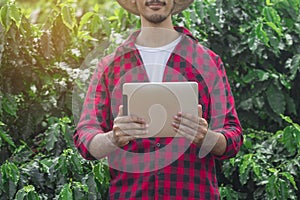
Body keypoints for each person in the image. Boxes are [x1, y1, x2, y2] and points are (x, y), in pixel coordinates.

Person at [74, 0, 243, 199]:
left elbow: (233, 136)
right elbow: (85, 136)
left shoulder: (207, 61)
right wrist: (114, 138)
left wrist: (206, 137)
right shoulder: (110, 65)